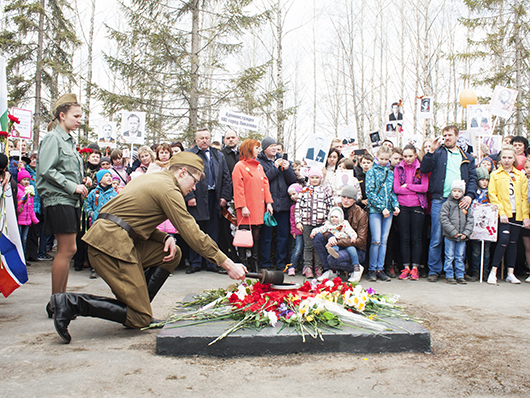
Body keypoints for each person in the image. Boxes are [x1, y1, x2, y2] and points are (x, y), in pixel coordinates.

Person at [48, 152, 247, 343]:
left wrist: (164, 237)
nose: (194, 187)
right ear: (182, 172)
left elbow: (129, 218)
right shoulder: (169, 189)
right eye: (194, 181)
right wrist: (228, 264)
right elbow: (191, 231)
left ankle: (138, 304)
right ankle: (71, 303)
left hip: (114, 239)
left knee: (173, 252)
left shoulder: (154, 179)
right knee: (139, 320)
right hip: (110, 246)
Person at [36, 93, 88, 316]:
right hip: (59, 200)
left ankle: (60, 301)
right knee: (66, 250)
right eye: (75, 116)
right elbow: (46, 170)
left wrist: (81, 181)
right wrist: (71, 186)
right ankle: (57, 304)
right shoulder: (52, 138)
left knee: (69, 249)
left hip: (69, 200)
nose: (79, 120)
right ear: (62, 115)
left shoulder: (68, 140)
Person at [421, 125, 477, 282]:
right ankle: (434, 270)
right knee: (436, 237)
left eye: (450, 135)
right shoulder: (437, 153)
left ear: (457, 136)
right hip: (440, 199)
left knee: (459, 236)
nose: (447, 137)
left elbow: (473, 178)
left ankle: (457, 271)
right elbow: (424, 169)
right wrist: (431, 151)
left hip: (460, 201)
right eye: (444, 135)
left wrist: (470, 196)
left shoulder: (467, 157)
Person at [185, 128, 232, 273]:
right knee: (195, 230)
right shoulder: (189, 154)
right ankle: (195, 263)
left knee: (213, 231)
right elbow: (183, 176)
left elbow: (226, 177)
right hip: (196, 196)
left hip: (214, 197)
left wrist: (224, 196)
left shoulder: (218, 155)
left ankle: (212, 262)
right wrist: (189, 196)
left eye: (207, 137)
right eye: (201, 138)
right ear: (196, 140)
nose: (205, 140)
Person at [487, 146, 530, 285]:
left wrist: (525, 216)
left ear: (514, 159)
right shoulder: (495, 174)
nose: (506, 160)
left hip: (516, 214)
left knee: (513, 242)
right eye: (504, 157)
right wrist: (502, 212)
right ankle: (493, 271)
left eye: (510, 158)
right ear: (500, 159)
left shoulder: (520, 175)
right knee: (503, 240)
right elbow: (493, 195)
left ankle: (510, 273)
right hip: (503, 214)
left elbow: (524, 197)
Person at [232, 139, 273, 272]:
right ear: (249, 149)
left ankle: (255, 263)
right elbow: (238, 189)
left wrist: (269, 203)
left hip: (258, 207)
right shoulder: (239, 166)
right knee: (244, 235)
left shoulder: (259, 166)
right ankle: (243, 262)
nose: (259, 150)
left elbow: (265, 185)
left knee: (256, 236)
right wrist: (242, 206)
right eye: (256, 148)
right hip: (246, 208)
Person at [311, 185, 368, 282]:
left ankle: (356, 268)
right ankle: (331, 271)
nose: (345, 200)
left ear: (354, 200)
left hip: (355, 249)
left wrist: (337, 241)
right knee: (318, 237)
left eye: (349, 198)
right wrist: (330, 236)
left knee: (332, 258)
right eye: (343, 197)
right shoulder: (336, 207)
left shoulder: (361, 214)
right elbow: (327, 227)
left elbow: (361, 241)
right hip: (339, 244)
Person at [257, 137, 297, 271]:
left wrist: (287, 169)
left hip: (284, 204)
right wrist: (275, 168)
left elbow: (293, 181)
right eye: (270, 146)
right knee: (266, 237)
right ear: (264, 149)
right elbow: (263, 180)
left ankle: (281, 263)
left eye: (275, 146)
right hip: (268, 205)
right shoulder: (259, 163)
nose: (274, 148)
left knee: (283, 236)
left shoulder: (284, 160)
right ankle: (265, 263)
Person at [394, 144, 429, 281]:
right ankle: (406, 267)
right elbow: (396, 189)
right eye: (405, 156)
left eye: (410, 156)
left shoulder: (421, 168)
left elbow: (424, 188)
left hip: (417, 205)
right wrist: (415, 189)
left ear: (415, 155)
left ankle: (415, 267)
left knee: (417, 237)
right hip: (402, 205)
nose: (408, 159)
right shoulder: (398, 168)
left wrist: (408, 186)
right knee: (404, 237)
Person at [365, 145, 399, 282]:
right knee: (376, 240)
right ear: (376, 157)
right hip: (376, 211)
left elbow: (391, 193)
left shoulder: (390, 173)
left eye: (386, 159)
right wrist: (381, 207)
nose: (384, 161)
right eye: (381, 158)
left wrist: (395, 205)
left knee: (384, 241)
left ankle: (380, 268)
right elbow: (370, 193)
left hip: (388, 211)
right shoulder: (371, 172)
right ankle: (372, 269)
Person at [295, 167, 334, 278]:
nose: (315, 180)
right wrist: (298, 221)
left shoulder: (325, 190)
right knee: (308, 246)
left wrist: (328, 220)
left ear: (320, 179)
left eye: (317, 177)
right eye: (312, 177)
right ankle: (307, 267)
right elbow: (298, 207)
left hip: (320, 223)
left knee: (318, 246)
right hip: (307, 222)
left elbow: (330, 205)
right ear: (309, 178)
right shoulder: (304, 191)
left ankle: (318, 267)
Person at [439, 180, 474, 284]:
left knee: (460, 256)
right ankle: (449, 275)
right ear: (451, 192)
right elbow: (443, 219)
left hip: (462, 236)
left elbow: (470, 220)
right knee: (449, 256)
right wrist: (453, 232)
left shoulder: (465, 205)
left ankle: (460, 275)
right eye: (455, 191)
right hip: (450, 236)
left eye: (459, 191)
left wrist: (466, 233)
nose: (457, 193)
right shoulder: (447, 204)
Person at [312, 207, 359, 281]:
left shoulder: (344, 224)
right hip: (335, 243)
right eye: (332, 217)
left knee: (352, 250)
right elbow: (321, 229)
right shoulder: (328, 225)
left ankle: (356, 265)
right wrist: (314, 231)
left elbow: (351, 231)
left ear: (340, 218)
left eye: (336, 217)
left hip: (345, 242)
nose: (334, 219)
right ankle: (334, 253)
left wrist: (353, 237)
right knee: (334, 248)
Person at [467, 167, 491, 282]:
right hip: (476, 226)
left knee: (486, 250)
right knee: (476, 250)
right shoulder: (474, 193)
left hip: (488, 226)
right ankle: (476, 270)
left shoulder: (490, 193)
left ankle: (485, 271)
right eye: (482, 180)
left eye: (486, 180)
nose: (484, 182)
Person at [17, 169, 39, 255]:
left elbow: (31, 207)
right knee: (19, 238)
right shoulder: (18, 191)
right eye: (24, 179)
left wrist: (34, 219)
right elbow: (17, 204)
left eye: (28, 180)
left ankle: (24, 255)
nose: (26, 181)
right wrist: (19, 210)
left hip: (27, 220)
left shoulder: (30, 191)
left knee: (24, 238)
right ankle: (19, 256)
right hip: (20, 219)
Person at [287, 183, 303, 276]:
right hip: (298, 232)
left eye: (294, 194)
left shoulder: (305, 205)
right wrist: (293, 231)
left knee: (306, 250)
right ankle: (292, 266)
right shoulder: (293, 207)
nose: (292, 197)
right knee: (297, 249)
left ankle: (303, 266)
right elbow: (292, 221)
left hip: (306, 230)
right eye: (291, 195)